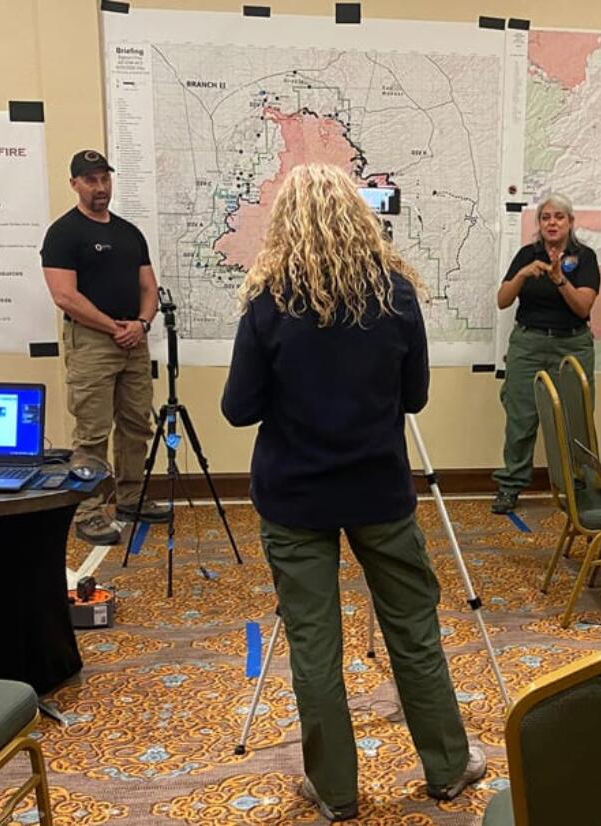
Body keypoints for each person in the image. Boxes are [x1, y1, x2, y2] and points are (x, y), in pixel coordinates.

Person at [221, 163, 484, 823]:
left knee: (315, 645)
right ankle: (448, 768)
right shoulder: (395, 295)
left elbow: (238, 409)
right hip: (378, 492)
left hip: (295, 498)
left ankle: (335, 789)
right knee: (414, 632)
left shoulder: (268, 303)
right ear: (358, 217)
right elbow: (416, 396)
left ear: (286, 224)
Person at [40, 149, 171, 545]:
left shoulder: (129, 232)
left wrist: (142, 323)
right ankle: (88, 511)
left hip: (134, 337)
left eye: (104, 179)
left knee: (136, 425)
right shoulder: (64, 233)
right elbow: (65, 296)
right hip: (93, 341)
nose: (100, 187)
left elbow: (148, 286)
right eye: (91, 180)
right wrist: (113, 327)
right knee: (92, 430)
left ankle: (131, 497)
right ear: (75, 184)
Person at [491, 193, 600, 513]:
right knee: (521, 418)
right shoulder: (528, 254)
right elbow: (502, 300)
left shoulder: (585, 257)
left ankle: (575, 484)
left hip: (572, 344)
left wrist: (559, 279)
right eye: (546, 217)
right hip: (528, 344)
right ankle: (510, 486)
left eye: (559, 217)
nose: (552, 223)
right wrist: (523, 274)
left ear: (570, 222)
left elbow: (582, 307)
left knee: (573, 417)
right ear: (539, 224)